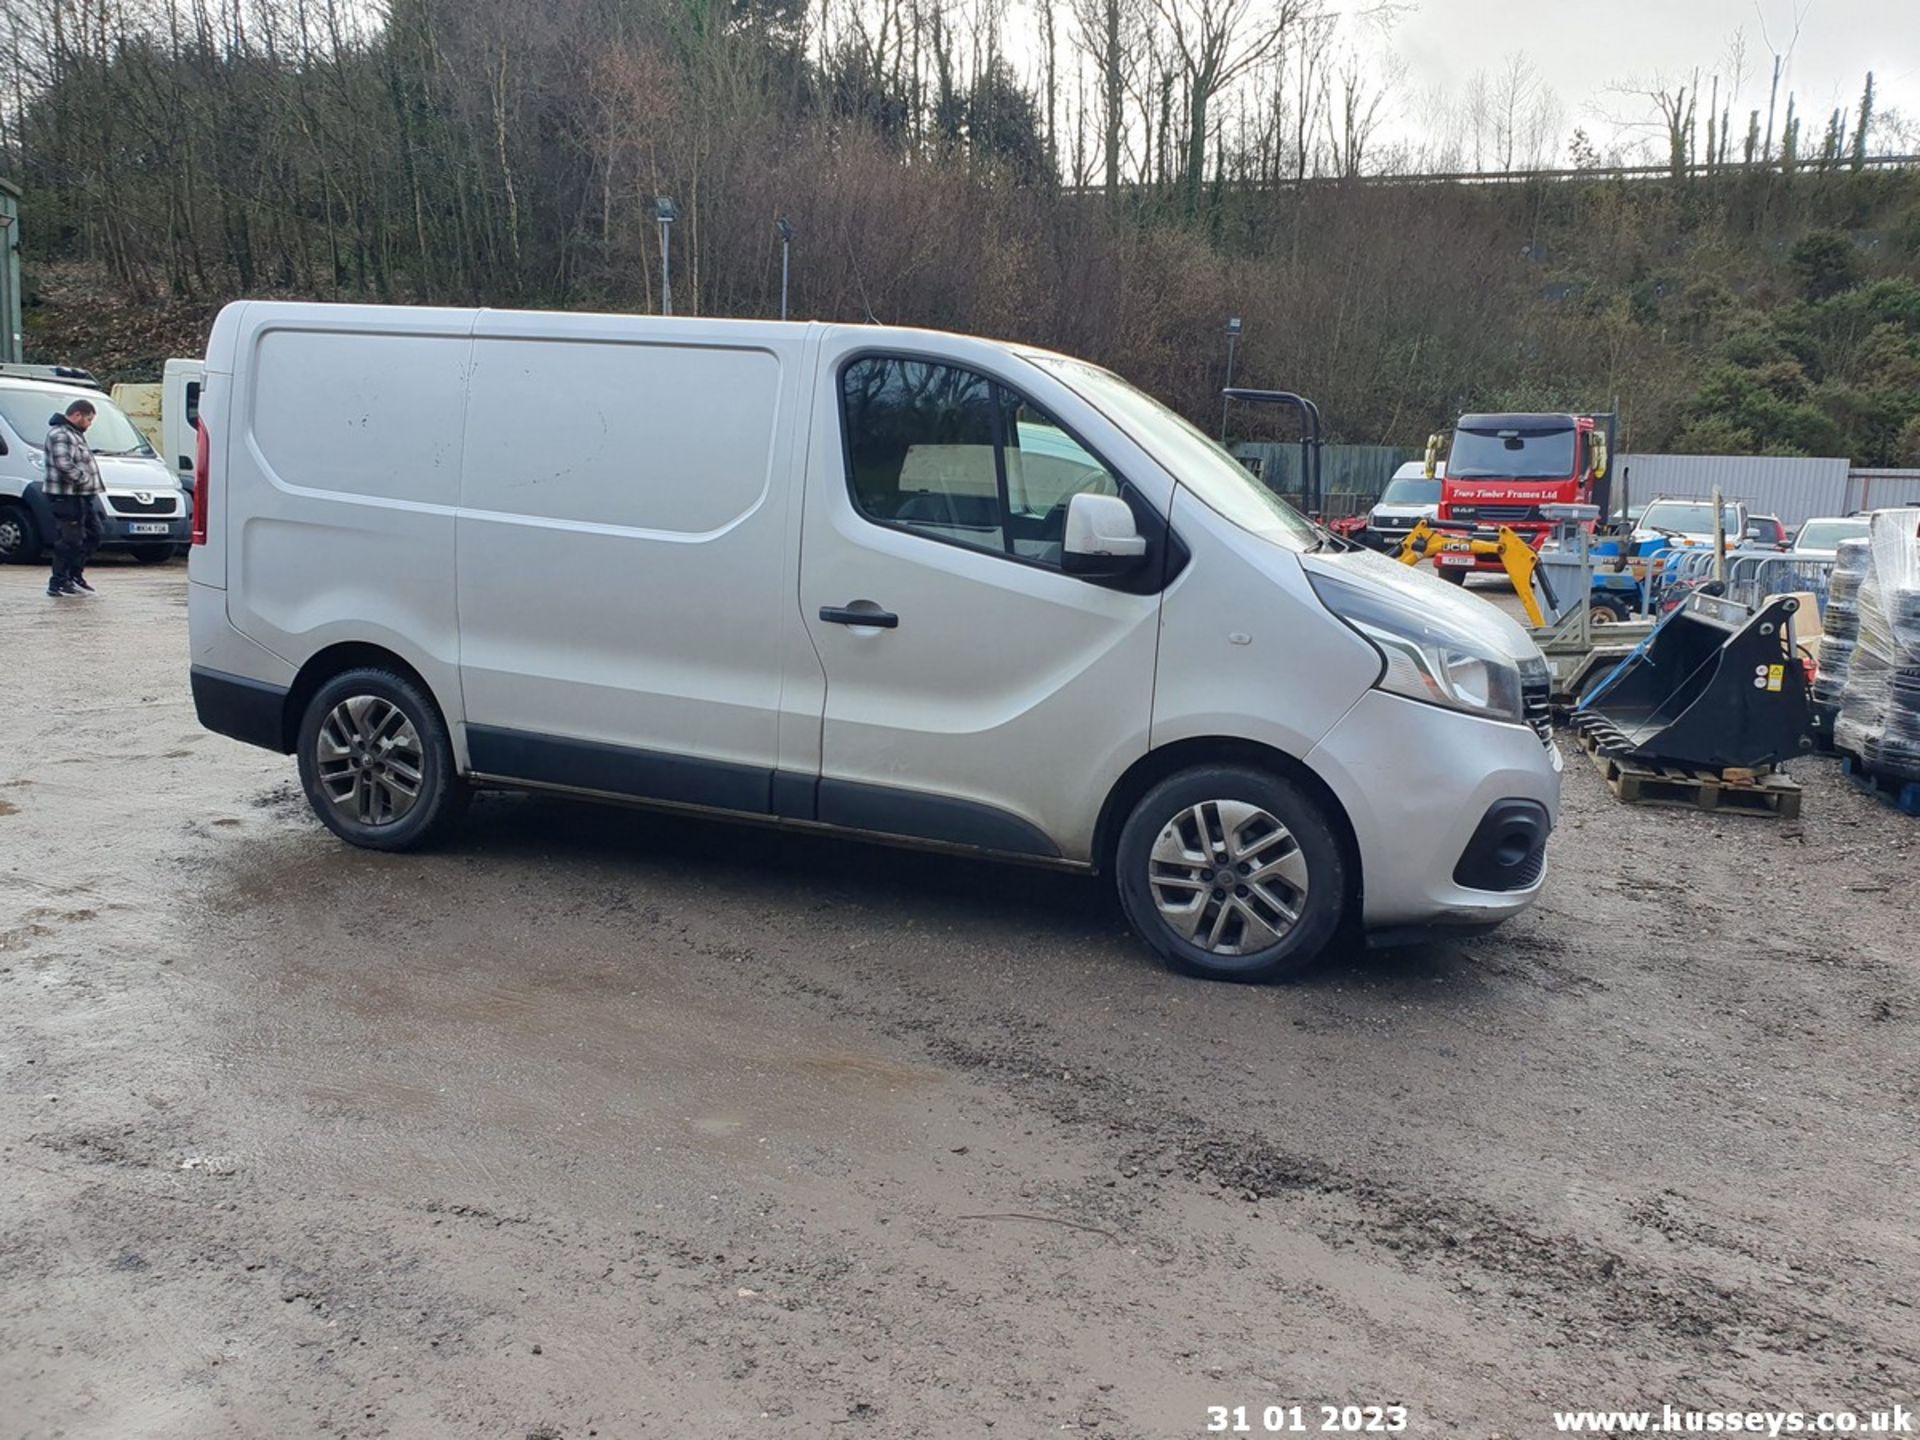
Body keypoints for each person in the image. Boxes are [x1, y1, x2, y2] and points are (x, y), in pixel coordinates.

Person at [43, 399, 105, 597]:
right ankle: (59, 582)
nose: (89, 424)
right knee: (70, 539)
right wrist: (84, 479)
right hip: (66, 496)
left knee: (94, 534)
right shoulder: (60, 434)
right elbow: (63, 464)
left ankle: (74, 576)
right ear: (77, 415)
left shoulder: (74, 434)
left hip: (82, 495)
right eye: (88, 419)